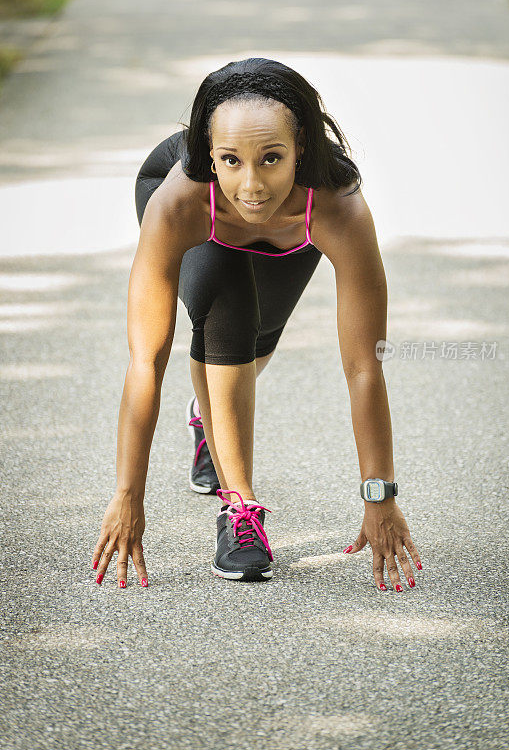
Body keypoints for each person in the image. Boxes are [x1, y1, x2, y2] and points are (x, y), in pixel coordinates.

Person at [91, 57, 423, 590]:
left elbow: (364, 368)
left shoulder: (337, 205)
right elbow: (146, 362)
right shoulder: (179, 203)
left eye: (271, 158)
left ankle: (204, 417)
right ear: (212, 158)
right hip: (208, 227)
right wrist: (128, 496)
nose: (252, 185)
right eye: (231, 160)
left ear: (302, 152)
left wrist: (379, 496)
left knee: (259, 344)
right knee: (230, 321)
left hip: (290, 234)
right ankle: (239, 511)